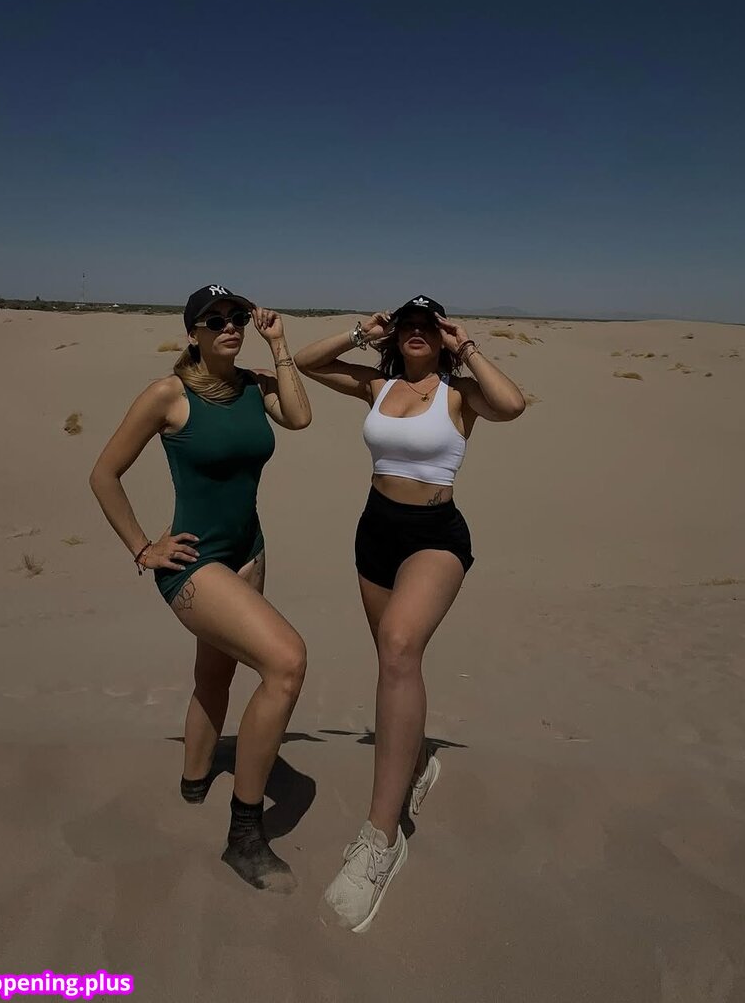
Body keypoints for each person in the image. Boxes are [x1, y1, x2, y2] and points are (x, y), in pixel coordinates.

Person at [294, 295, 526, 930]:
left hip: (435, 535)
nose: (417, 331)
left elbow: (511, 404)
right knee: (394, 661)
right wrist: (359, 332)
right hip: (376, 531)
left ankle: (381, 838)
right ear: (395, 335)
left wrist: (465, 345)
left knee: (398, 646)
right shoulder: (378, 385)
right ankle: (417, 757)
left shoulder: (459, 394)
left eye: (429, 324)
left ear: (441, 335)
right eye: (408, 324)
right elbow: (306, 363)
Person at [90, 284, 312, 892]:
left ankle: (193, 781)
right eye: (214, 320)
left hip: (248, 552)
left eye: (237, 316)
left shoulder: (255, 386)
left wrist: (280, 344)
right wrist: (143, 548)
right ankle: (245, 835)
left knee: (215, 676)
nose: (229, 326)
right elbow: (104, 474)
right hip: (193, 563)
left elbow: (300, 416)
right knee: (286, 663)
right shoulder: (168, 394)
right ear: (193, 333)